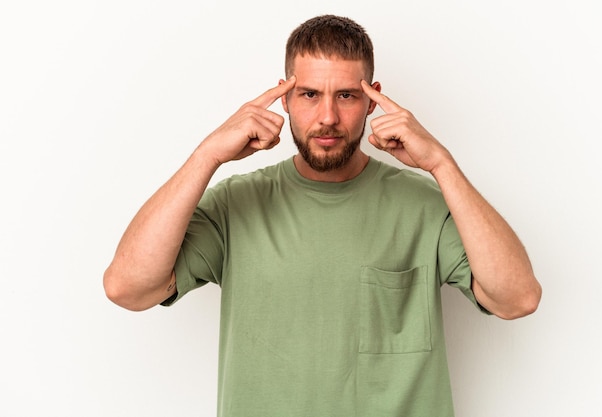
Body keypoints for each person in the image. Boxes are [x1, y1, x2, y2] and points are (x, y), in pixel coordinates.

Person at [104, 14, 541, 417]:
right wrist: (207, 156)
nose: (327, 117)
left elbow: (517, 299)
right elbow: (128, 289)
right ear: (285, 98)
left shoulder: (426, 205)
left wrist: (443, 165)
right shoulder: (235, 204)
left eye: (347, 95)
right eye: (309, 94)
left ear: (373, 101)